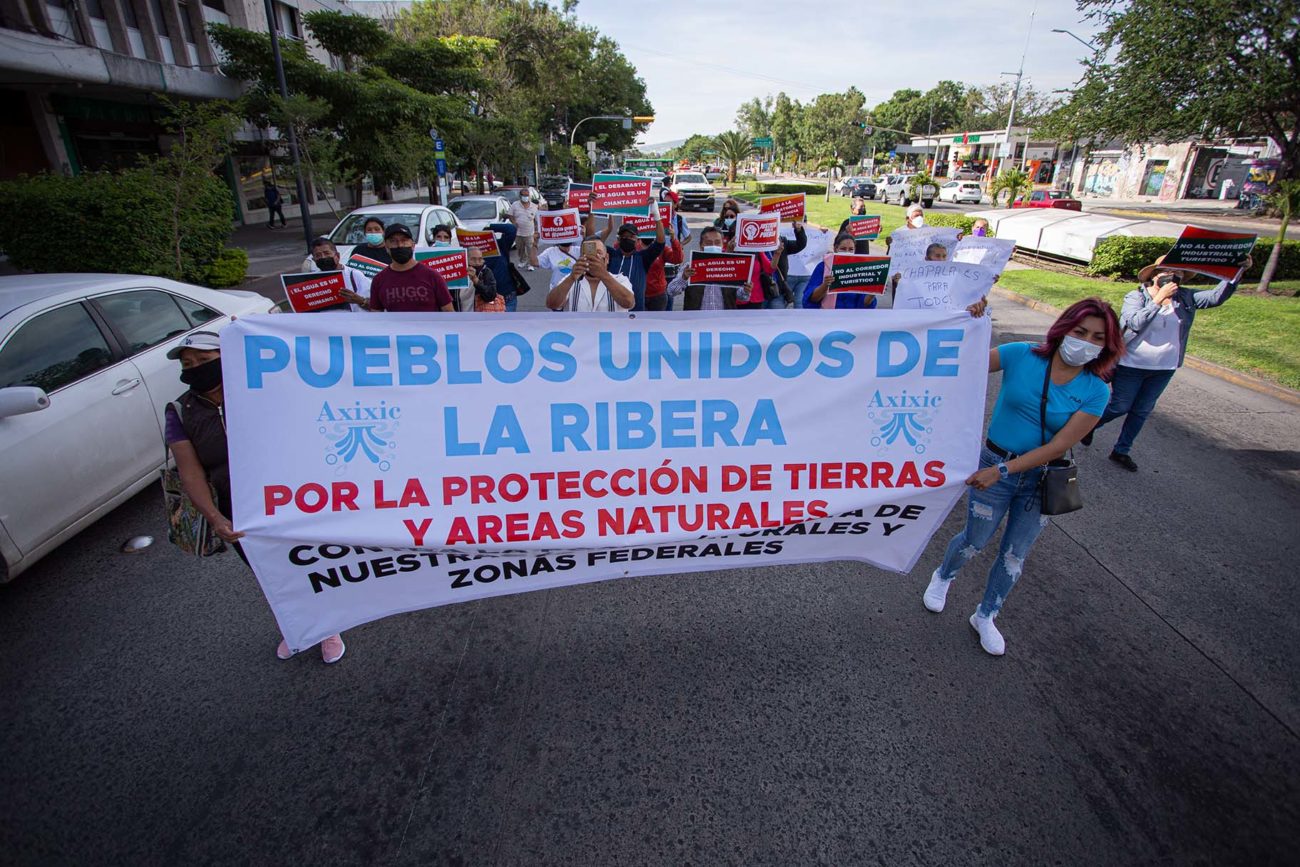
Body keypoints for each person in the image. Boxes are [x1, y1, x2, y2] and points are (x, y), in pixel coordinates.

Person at [921, 297, 1123, 656]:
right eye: (1080, 332)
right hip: (994, 462)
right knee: (974, 539)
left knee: (1015, 555)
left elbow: (1060, 444)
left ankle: (986, 615)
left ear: (1107, 345)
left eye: (1097, 337)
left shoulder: (1096, 391)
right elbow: (959, 364)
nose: (1086, 342)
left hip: (1039, 480)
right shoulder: (1021, 354)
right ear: (1064, 328)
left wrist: (1002, 472)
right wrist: (970, 323)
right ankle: (943, 576)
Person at [164, 332, 346, 663]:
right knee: (271, 573)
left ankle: (328, 626)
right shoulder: (180, 411)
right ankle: (298, 627)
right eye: (187, 364)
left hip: (291, 498)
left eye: (204, 360)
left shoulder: (264, 389)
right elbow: (190, 472)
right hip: (237, 508)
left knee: (310, 563)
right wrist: (216, 518)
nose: (195, 368)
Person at [1082, 253, 1250, 471]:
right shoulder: (1137, 296)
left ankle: (1121, 450)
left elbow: (1216, 297)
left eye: (1178, 272)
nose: (1173, 275)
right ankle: (1087, 426)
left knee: (1142, 411)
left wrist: (1237, 271)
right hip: (1131, 364)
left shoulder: (1186, 297)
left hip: (1164, 367)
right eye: (1167, 271)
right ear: (1154, 275)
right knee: (1120, 406)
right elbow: (1134, 322)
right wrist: (1158, 300)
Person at [588, 208, 665, 312]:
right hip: (612, 311)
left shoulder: (643, 258)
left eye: (631, 236)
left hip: (636, 314)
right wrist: (592, 210)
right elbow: (591, 242)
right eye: (624, 236)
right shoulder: (610, 255)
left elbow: (660, 242)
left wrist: (656, 214)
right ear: (618, 239)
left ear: (637, 240)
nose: (627, 239)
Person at [365, 223, 454, 312]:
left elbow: (449, 313)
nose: (400, 245)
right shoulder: (379, 280)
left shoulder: (433, 276)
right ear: (386, 247)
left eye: (404, 240)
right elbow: (376, 315)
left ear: (413, 245)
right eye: (393, 241)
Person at [665, 226, 752, 310]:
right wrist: (684, 278)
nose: (713, 245)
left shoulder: (731, 266)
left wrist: (746, 290)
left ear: (722, 244)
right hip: (697, 318)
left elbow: (742, 297)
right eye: (708, 243)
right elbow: (671, 291)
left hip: (724, 318)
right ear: (701, 245)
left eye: (717, 242)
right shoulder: (690, 266)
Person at [546, 238, 635, 311]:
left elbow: (629, 303)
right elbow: (552, 304)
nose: (594, 257)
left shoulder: (620, 279)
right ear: (581, 257)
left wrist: (603, 275)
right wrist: (571, 278)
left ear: (607, 258)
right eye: (588, 253)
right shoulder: (571, 280)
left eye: (599, 253)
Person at [803, 232, 880, 310]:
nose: (847, 252)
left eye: (851, 249)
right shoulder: (823, 266)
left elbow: (864, 304)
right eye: (843, 249)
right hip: (827, 315)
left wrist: (872, 293)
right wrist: (825, 285)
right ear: (835, 249)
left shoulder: (859, 269)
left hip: (851, 316)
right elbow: (811, 300)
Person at [644, 218, 684, 311]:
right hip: (638, 293)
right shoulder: (633, 248)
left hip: (658, 295)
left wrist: (673, 239)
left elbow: (678, 259)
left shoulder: (661, 248)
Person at [482, 219, 519, 312]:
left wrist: (490, 227)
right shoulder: (477, 253)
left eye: (490, 236)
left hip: (507, 297)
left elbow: (511, 229)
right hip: (488, 300)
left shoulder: (501, 245)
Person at [507, 189, 538, 270]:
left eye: (527, 195)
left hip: (530, 232)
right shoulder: (515, 205)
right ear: (520, 196)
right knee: (520, 248)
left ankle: (530, 264)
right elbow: (510, 215)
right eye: (524, 195)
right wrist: (514, 222)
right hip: (518, 232)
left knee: (530, 248)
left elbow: (536, 220)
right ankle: (522, 260)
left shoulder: (534, 206)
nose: (525, 197)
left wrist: (536, 231)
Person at [468, 247, 503, 312]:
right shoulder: (460, 273)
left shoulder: (486, 272)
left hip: (481, 312)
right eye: (473, 259)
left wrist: (476, 281)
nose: (477, 262)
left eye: (480, 259)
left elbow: (491, 296)